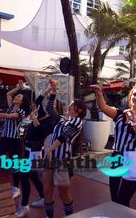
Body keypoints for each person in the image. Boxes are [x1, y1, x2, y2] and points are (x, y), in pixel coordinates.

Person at [16, 81, 62, 217]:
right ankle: (43, 197)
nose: (50, 105)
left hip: (35, 151)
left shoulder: (53, 121)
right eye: (50, 104)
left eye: (53, 105)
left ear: (56, 108)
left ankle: (24, 206)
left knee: (24, 175)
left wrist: (34, 117)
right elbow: (39, 99)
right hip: (29, 147)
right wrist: (50, 88)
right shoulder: (42, 113)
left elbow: (41, 131)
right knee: (31, 175)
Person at [43, 84, 86, 218]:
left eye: (72, 105)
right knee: (47, 191)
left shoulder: (78, 121)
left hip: (62, 161)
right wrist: (54, 91)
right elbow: (49, 108)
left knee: (64, 194)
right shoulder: (62, 119)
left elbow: (64, 136)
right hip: (50, 159)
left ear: (78, 109)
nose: (69, 106)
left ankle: (69, 216)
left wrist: (49, 149)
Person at [0, 80, 30, 199]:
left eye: (19, 96)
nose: (16, 96)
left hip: (15, 141)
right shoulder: (10, 108)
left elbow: (10, 116)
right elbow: (8, 94)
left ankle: (16, 188)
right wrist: (18, 87)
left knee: (14, 166)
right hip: (5, 139)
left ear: (22, 101)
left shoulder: (21, 111)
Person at [91, 84, 136, 207]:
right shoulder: (121, 114)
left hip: (132, 159)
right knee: (115, 196)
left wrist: (134, 121)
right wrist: (99, 94)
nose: (135, 97)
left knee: (123, 198)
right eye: (135, 94)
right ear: (130, 96)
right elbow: (103, 107)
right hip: (117, 156)